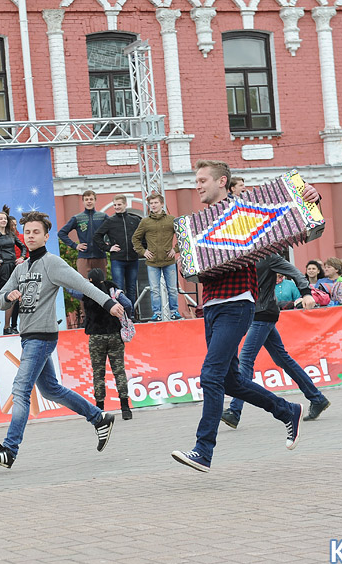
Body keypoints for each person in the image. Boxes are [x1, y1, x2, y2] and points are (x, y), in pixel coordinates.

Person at [171, 160, 312, 473]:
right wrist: (185, 259)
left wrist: (309, 194)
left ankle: (203, 450)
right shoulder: (197, 225)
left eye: (203, 179)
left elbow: (292, 203)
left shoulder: (244, 212)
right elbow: (193, 272)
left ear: (222, 181)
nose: (197, 185)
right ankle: (287, 411)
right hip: (211, 306)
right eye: (196, 180)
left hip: (238, 304)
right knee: (231, 381)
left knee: (210, 375)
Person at [0, 211, 124, 469]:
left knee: (21, 391)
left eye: (37, 232)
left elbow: (84, 285)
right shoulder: (20, 268)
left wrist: (109, 303)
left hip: (42, 337)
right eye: (29, 232)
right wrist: (9, 296)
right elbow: (0, 299)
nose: (32, 236)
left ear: (46, 236)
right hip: (27, 337)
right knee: (51, 389)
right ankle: (99, 418)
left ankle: (9, 450)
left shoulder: (52, 263)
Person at [220, 253, 331, 429]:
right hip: (254, 312)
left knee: (246, 359)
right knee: (282, 359)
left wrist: (306, 293)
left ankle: (234, 411)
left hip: (264, 313)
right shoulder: (241, 255)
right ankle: (316, 398)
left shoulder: (268, 256)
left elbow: (295, 272)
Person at [69, 268, 135, 419]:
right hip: (114, 335)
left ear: (90, 280)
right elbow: (128, 304)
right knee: (119, 371)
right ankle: (125, 408)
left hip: (96, 337)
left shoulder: (86, 293)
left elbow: (71, 290)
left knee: (98, 374)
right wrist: (126, 317)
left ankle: (99, 409)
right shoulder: (114, 292)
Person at [132, 191, 182, 321]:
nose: (153, 205)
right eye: (151, 203)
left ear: (162, 204)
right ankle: (157, 314)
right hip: (152, 261)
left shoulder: (171, 220)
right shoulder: (145, 222)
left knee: (172, 289)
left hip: (169, 260)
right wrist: (143, 252)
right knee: (154, 290)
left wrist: (175, 249)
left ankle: (174, 312)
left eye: (155, 203)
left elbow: (182, 235)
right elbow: (135, 239)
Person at [0, 206, 29, 335]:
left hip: (15, 267)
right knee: (9, 297)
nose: (3, 220)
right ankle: (7, 327)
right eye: (1, 219)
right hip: (3, 269)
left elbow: (23, 248)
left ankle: (14, 326)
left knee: (20, 297)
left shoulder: (11, 235)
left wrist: (21, 258)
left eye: (5, 218)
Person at [93, 194, 142, 307]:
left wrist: (140, 248)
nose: (116, 207)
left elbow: (143, 235)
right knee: (118, 289)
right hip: (117, 260)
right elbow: (97, 236)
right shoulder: (110, 221)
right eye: (115, 205)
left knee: (132, 288)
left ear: (125, 204)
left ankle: (131, 315)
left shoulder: (134, 220)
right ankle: (120, 316)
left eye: (119, 204)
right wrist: (109, 248)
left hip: (133, 259)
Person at [57, 189, 108, 277]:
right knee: (84, 284)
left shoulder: (102, 217)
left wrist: (108, 243)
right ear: (83, 202)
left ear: (95, 200)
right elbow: (61, 233)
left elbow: (113, 230)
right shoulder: (77, 218)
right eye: (86, 199)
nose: (89, 202)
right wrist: (75, 245)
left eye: (91, 199)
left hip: (100, 256)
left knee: (101, 284)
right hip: (84, 257)